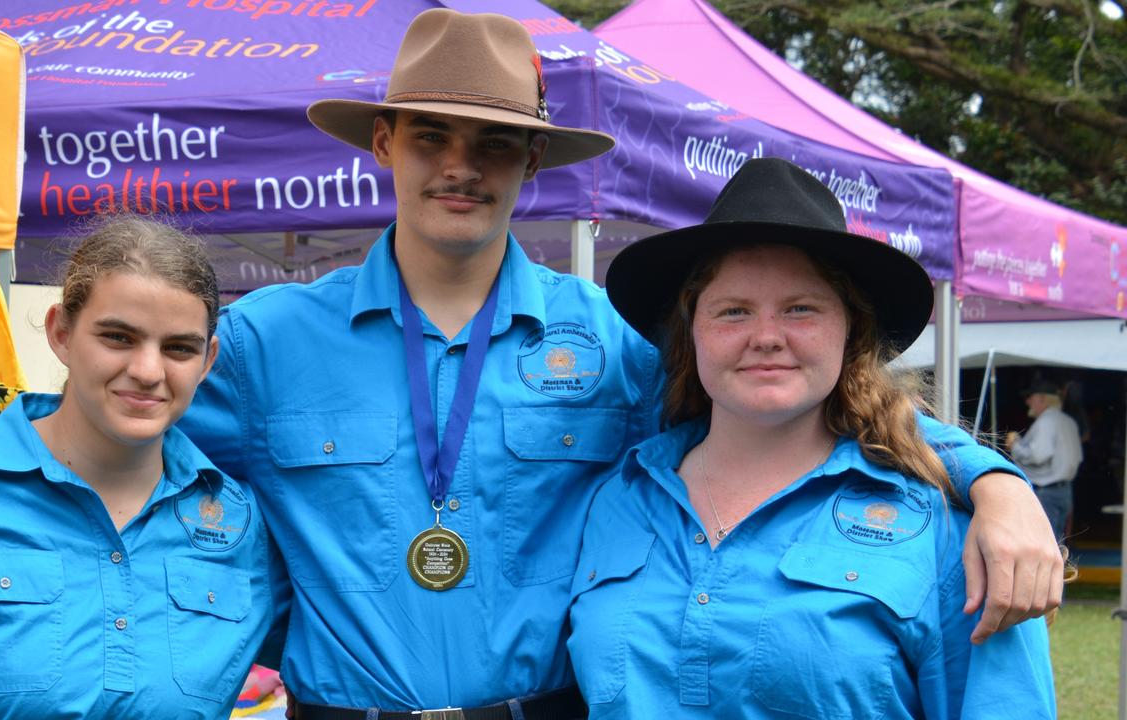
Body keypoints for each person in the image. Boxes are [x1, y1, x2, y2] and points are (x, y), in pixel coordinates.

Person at [178, 9, 1061, 717]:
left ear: (531, 160)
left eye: (491, 143)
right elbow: (142, 467)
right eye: (429, 136)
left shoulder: (614, 344)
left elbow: (802, 402)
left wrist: (994, 482)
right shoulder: (265, 341)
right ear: (382, 142)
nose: (460, 166)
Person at [568, 158, 1056, 718]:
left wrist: (1000, 484)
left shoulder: (949, 532)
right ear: (691, 334)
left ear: (850, 332)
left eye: (801, 309)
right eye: (733, 311)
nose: (767, 337)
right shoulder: (619, 500)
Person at [0, 216, 276, 718]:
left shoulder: (239, 526)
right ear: (61, 333)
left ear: (208, 361)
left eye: (179, 348)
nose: (147, 371)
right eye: (118, 337)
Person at [1007, 380, 1084, 539]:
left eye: (1031, 397)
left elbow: (1037, 455)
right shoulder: (1068, 421)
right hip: (1064, 491)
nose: (1028, 401)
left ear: (1043, 399)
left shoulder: (1046, 422)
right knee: (1057, 544)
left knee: (1043, 542)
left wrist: (1015, 445)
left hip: (1046, 492)